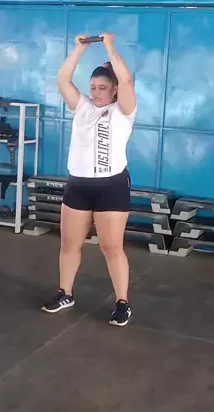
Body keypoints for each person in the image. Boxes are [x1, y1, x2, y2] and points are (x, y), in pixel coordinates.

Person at [41, 32, 137, 327]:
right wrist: (78, 49)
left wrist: (108, 46)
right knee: (69, 245)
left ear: (114, 89)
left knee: (111, 247)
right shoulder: (81, 107)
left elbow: (127, 80)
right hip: (79, 185)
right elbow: (62, 79)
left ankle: (122, 303)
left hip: (111, 186)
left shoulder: (123, 111)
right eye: (93, 87)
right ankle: (65, 293)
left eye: (102, 88)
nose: (96, 92)